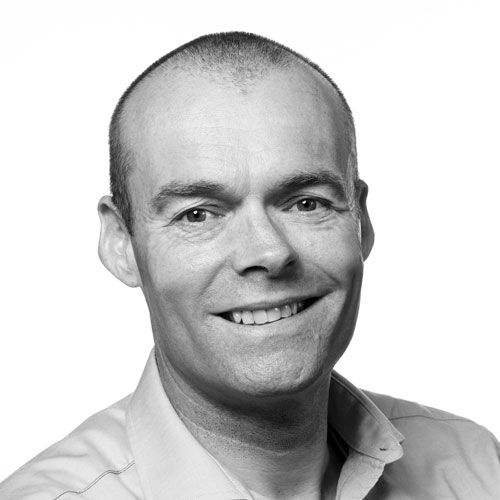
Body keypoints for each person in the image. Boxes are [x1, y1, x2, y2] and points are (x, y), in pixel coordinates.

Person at [0, 31, 499, 500]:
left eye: (307, 203)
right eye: (198, 214)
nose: (267, 253)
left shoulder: (477, 468)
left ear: (361, 221)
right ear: (120, 244)